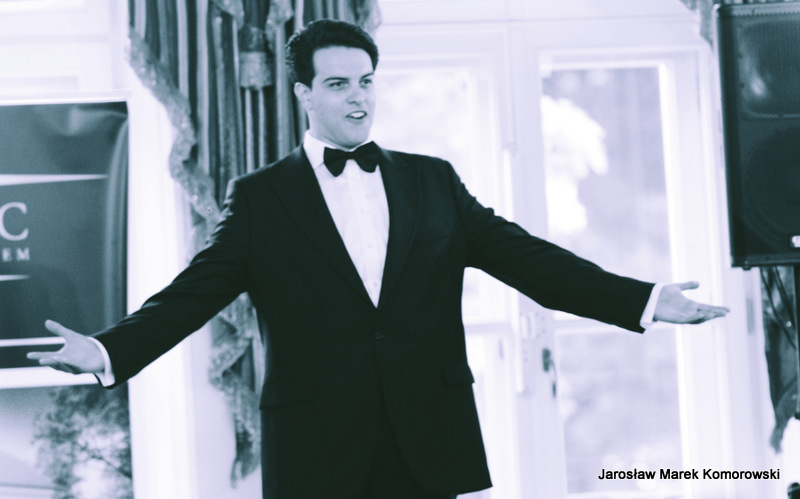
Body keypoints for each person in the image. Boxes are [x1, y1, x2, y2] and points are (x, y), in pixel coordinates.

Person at [27, 19, 729, 499]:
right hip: (318, 450)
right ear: (303, 94)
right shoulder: (262, 199)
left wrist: (644, 299)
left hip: (428, 440)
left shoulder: (433, 181)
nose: (359, 97)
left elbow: (530, 260)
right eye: (338, 84)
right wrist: (107, 350)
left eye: (366, 81)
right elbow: (192, 294)